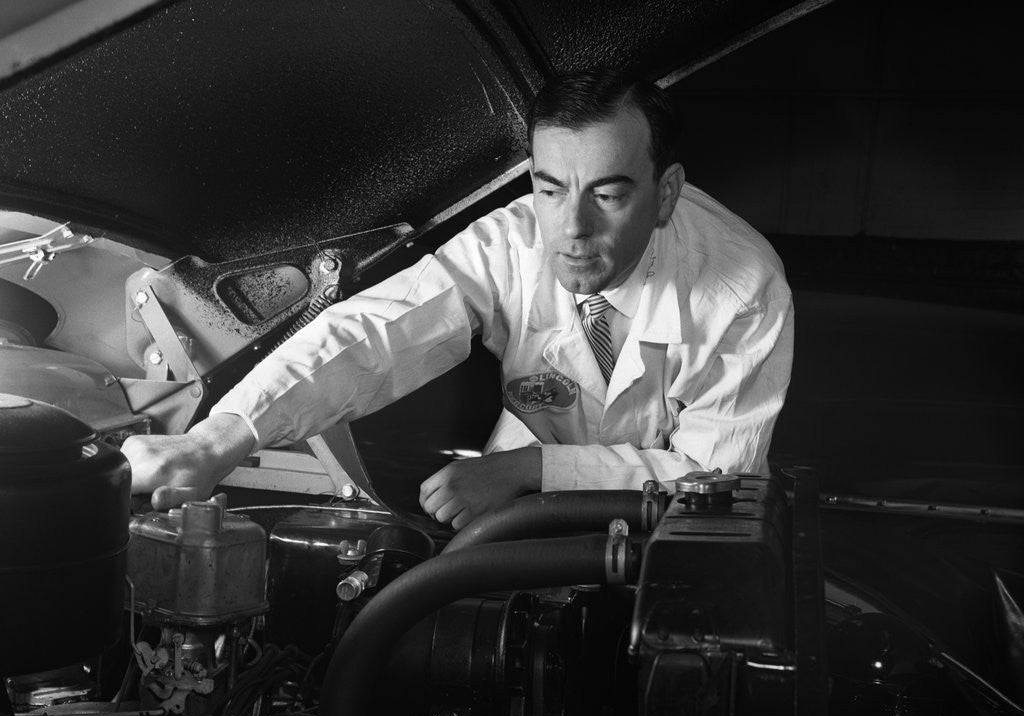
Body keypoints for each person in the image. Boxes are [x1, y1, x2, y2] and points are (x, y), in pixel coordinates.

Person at [123, 68, 793, 530]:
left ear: (666, 192)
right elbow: (378, 332)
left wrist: (534, 470)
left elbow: (715, 476)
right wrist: (219, 439)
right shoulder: (512, 241)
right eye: (553, 188)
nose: (572, 230)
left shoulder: (743, 288)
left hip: (673, 534)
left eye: (609, 195)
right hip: (516, 504)